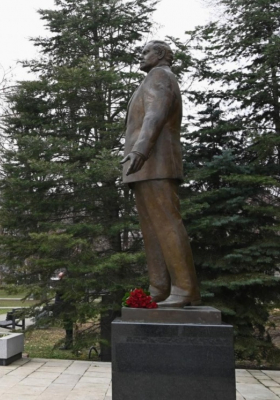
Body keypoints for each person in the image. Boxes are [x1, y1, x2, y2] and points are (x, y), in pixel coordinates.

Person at [120, 40, 201, 308]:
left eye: (146, 52)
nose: (140, 56)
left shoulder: (160, 76)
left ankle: (185, 289)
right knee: (151, 229)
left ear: (161, 55)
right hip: (144, 166)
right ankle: (159, 288)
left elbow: (154, 115)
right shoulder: (150, 80)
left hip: (155, 162)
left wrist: (140, 151)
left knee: (166, 224)